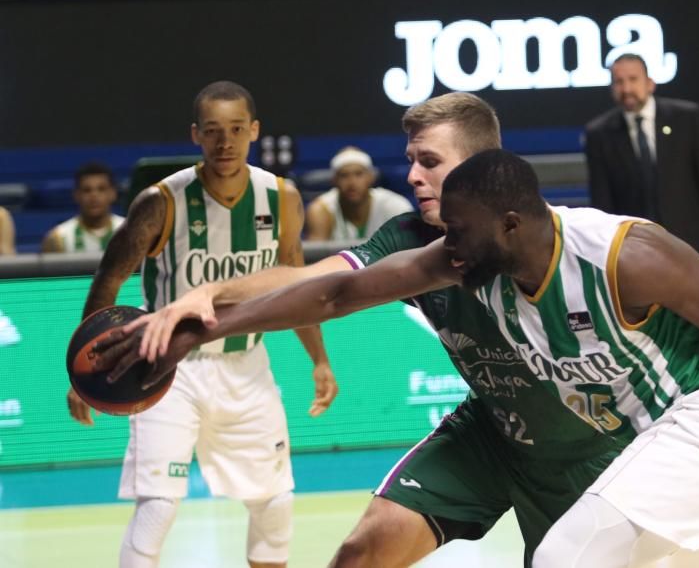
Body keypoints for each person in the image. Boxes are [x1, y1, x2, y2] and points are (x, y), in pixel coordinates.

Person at [99, 150, 699, 568]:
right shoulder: (463, 258)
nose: (445, 242)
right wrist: (205, 327)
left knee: (565, 555)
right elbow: (336, 294)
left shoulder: (627, 252)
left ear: (515, 222)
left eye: (460, 227)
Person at [96, 92, 622, 567]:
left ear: (481, 169)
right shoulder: (408, 237)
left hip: (583, 439)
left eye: (430, 162)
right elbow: (316, 283)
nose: (413, 175)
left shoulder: (562, 239)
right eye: (411, 160)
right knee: (361, 552)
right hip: (492, 429)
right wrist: (211, 294)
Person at [66, 81, 337, 568]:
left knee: (275, 501)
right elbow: (109, 280)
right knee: (158, 507)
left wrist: (318, 359)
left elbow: (296, 285)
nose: (225, 142)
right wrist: (83, 371)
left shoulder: (281, 198)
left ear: (254, 131)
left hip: (247, 365)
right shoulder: (161, 202)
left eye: (236, 130)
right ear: (196, 135)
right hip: (168, 368)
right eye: (213, 131)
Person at [584, 54, 699, 268]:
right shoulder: (599, 134)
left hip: (692, 244)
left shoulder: (687, 118)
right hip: (636, 252)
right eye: (619, 82)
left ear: (650, 83)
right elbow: (603, 201)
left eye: (633, 79)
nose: (626, 89)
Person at [304, 146, 412, 243]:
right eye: (344, 175)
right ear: (334, 181)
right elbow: (314, 261)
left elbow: (410, 254)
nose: (352, 183)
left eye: (359, 174)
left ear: (371, 177)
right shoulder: (322, 209)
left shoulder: (395, 206)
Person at [42, 162, 125, 253]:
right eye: (87, 190)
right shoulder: (58, 238)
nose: (94, 196)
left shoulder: (130, 232)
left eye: (101, 189)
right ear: (76, 195)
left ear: (113, 193)